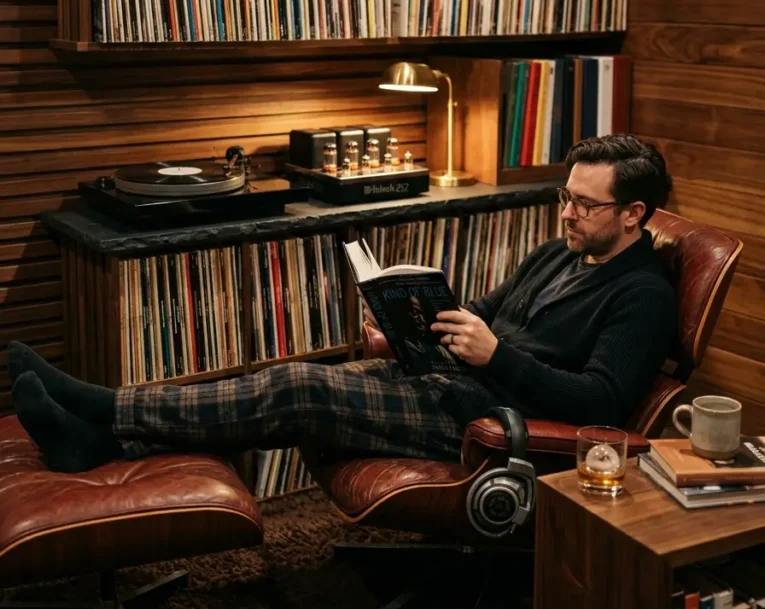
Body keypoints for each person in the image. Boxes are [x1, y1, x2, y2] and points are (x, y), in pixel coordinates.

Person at [7, 134, 677, 475]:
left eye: (584, 205)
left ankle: (104, 407)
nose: (565, 212)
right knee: (279, 383)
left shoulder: (641, 295)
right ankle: (103, 444)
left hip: (491, 423)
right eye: (563, 196)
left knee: (300, 388)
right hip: (447, 383)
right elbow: (478, 310)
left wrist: (496, 354)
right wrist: (412, 329)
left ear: (633, 215)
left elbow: (600, 405)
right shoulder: (560, 249)